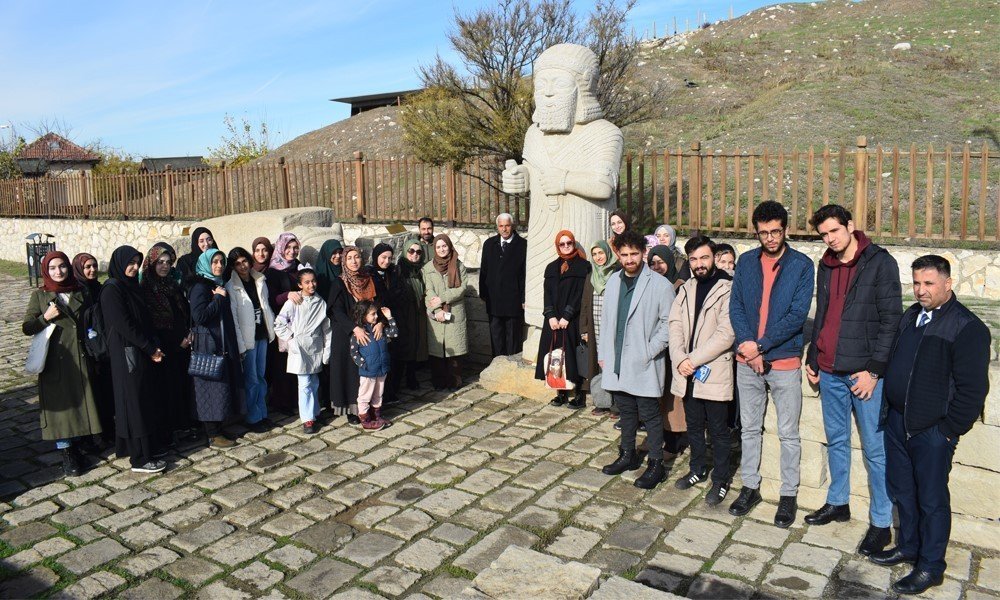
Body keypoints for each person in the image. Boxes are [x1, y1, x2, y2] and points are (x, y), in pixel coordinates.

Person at [871, 255, 991, 595]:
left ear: (948, 284)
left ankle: (930, 565)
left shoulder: (967, 328)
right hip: (897, 422)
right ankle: (908, 546)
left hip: (932, 432)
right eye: (917, 283)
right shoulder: (911, 316)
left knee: (932, 500)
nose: (920, 290)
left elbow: (972, 390)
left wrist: (947, 430)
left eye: (928, 284)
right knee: (903, 491)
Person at [803, 204, 902, 557]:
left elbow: (892, 319)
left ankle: (880, 523)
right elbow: (824, 312)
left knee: (876, 451)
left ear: (851, 226)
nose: (830, 239)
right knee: (837, 440)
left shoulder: (879, 262)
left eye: (834, 231)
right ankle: (838, 502)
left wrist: (875, 370)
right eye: (824, 234)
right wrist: (813, 356)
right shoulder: (825, 265)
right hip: (829, 370)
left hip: (863, 375)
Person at [728, 200, 815, 528]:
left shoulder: (802, 266)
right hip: (747, 363)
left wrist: (760, 346)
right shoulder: (747, 262)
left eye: (776, 231)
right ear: (756, 232)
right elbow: (736, 306)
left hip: (783, 362)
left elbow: (796, 316)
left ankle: (788, 495)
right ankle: (750, 486)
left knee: (788, 433)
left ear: (785, 229)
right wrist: (750, 349)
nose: (770, 238)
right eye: (763, 232)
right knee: (750, 428)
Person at [598, 230, 675, 489]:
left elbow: (668, 324)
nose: (629, 259)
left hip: (643, 361)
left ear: (643, 253)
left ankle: (656, 464)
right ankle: (628, 454)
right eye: (624, 254)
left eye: (634, 254)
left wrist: (649, 350)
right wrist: (603, 354)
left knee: (651, 415)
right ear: (618, 255)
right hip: (617, 358)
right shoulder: (613, 282)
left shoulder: (660, 285)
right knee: (626, 411)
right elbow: (606, 320)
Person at [668, 236, 735, 506]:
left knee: (718, 430)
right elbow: (674, 325)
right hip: (687, 371)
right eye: (693, 259)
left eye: (704, 258)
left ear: (714, 258)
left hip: (712, 370)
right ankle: (697, 469)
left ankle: (720, 479)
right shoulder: (685, 290)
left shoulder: (728, 288)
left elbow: (726, 333)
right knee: (694, 425)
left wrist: (692, 360)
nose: (699, 264)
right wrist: (679, 357)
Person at [23, 251, 103, 477]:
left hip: (80, 357)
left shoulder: (80, 291)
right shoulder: (40, 296)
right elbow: (27, 327)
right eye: (52, 268)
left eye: (62, 267)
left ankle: (78, 445)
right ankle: (66, 452)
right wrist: (45, 317)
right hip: (56, 361)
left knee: (80, 404)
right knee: (62, 409)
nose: (58, 272)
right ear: (46, 271)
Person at [101, 246, 166, 473]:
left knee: (143, 400)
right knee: (134, 403)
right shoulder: (112, 289)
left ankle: (146, 448)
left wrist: (153, 345)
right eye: (130, 262)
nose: (134, 267)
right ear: (119, 263)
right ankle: (140, 458)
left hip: (140, 352)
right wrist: (149, 347)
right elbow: (123, 324)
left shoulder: (131, 287)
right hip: (127, 353)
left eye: (137, 262)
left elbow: (143, 319)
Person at [140, 243, 195, 448]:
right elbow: (152, 323)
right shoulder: (147, 288)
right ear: (152, 263)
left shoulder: (172, 285)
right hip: (164, 347)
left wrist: (187, 335)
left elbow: (182, 313)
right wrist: (175, 342)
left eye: (168, 262)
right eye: (160, 262)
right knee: (167, 390)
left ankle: (184, 425)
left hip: (183, 342)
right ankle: (171, 431)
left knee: (181, 386)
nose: (164, 266)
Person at [189, 249, 244, 448]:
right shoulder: (200, 287)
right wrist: (218, 299)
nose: (219, 265)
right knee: (210, 388)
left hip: (221, 343)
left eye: (221, 261)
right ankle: (212, 433)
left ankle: (220, 428)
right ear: (206, 264)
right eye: (214, 262)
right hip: (208, 345)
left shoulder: (216, 284)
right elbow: (200, 316)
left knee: (221, 387)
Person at [535, 230, 590, 408]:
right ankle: (561, 392)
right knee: (556, 354)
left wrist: (567, 315)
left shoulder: (583, 266)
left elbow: (581, 293)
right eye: (562, 244)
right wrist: (550, 315)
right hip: (553, 321)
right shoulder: (551, 267)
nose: (566, 246)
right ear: (557, 246)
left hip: (572, 319)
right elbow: (547, 293)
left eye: (569, 243)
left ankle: (580, 393)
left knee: (575, 354)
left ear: (574, 244)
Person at [327, 246, 382, 423]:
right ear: (344, 261)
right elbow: (337, 310)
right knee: (350, 371)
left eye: (357, 257)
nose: (354, 261)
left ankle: (370, 406)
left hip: (369, 332)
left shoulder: (370, 279)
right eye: (349, 258)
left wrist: (380, 321)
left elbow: (381, 303)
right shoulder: (339, 283)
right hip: (346, 334)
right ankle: (353, 409)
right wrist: (354, 328)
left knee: (367, 370)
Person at [274, 268, 331, 434]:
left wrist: (327, 350)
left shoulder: (321, 302)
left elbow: (326, 329)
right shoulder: (293, 302)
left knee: (314, 382)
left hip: (315, 346)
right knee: (304, 384)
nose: (311, 284)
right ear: (300, 284)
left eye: (313, 281)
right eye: (307, 282)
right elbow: (279, 323)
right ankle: (307, 419)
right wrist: (292, 340)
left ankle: (315, 412)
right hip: (299, 348)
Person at [226, 247, 276, 433]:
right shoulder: (232, 287)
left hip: (262, 333)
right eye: (237, 264)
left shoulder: (259, 280)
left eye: (244, 261)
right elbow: (234, 318)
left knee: (261, 376)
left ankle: (262, 413)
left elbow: (266, 306)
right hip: (248, 339)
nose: (242, 266)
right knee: (251, 379)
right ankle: (252, 417)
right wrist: (240, 345)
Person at [648, 244, 688, 455]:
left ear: (669, 263)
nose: (656, 267)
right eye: (652, 264)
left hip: (674, 347)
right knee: (657, 396)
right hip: (655, 347)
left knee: (673, 398)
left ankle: (675, 439)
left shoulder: (680, 286)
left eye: (660, 263)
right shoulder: (649, 285)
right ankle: (659, 436)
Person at [72, 252, 114, 443]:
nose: (92, 270)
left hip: (105, 345)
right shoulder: (78, 292)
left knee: (107, 389)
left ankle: (109, 429)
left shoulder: (100, 287)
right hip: (89, 348)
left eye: (94, 266)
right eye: (87, 267)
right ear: (80, 269)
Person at [422, 234, 469, 390]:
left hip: (454, 310)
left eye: (444, 246)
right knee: (437, 349)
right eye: (438, 247)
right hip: (435, 312)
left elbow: (461, 289)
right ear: (434, 249)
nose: (442, 249)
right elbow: (428, 291)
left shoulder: (459, 265)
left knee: (455, 349)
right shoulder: (427, 268)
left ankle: (455, 379)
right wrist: (437, 310)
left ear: (449, 246)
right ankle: (439, 380)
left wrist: (442, 298)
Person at [264, 232, 302, 413]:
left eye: (295, 248)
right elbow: (271, 299)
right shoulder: (273, 271)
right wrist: (288, 295)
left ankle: (296, 399)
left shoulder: (299, 266)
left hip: (300, 322)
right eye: (288, 247)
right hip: (283, 324)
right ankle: (282, 402)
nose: (292, 251)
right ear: (281, 247)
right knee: (282, 364)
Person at [580, 241, 619, 417]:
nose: (598, 257)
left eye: (601, 253)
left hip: (612, 327)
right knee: (598, 365)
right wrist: (584, 329)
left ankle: (616, 405)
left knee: (613, 365)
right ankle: (602, 402)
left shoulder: (617, 274)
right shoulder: (591, 276)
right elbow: (585, 305)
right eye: (594, 254)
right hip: (595, 328)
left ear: (607, 253)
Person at [480, 213, 527, 357]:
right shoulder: (489, 244)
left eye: (507, 225)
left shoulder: (523, 245)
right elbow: (484, 271)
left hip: (514, 301)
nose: (504, 229)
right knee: (496, 338)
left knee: (513, 339)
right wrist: (483, 294)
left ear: (512, 226)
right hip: (494, 301)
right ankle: (496, 367)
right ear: (497, 227)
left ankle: (511, 369)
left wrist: (524, 299)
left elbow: (525, 274)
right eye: (501, 226)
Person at [350, 301, 399, 431]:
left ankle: (376, 417)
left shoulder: (379, 329)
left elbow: (394, 333)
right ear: (363, 315)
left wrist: (389, 317)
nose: (376, 316)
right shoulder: (359, 333)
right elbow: (354, 352)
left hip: (381, 369)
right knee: (365, 395)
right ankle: (365, 420)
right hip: (368, 371)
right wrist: (363, 364)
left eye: (376, 313)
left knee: (378, 394)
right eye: (373, 314)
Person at [397, 238, 429, 389]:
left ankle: (412, 374)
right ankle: (406, 378)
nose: (414, 255)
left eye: (418, 252)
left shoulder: (421, 270)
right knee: (407, 344)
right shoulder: (400, 270)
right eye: (411, 251)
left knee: (417, 342)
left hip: (418, 312)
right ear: (405, 252)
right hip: (405, 313)